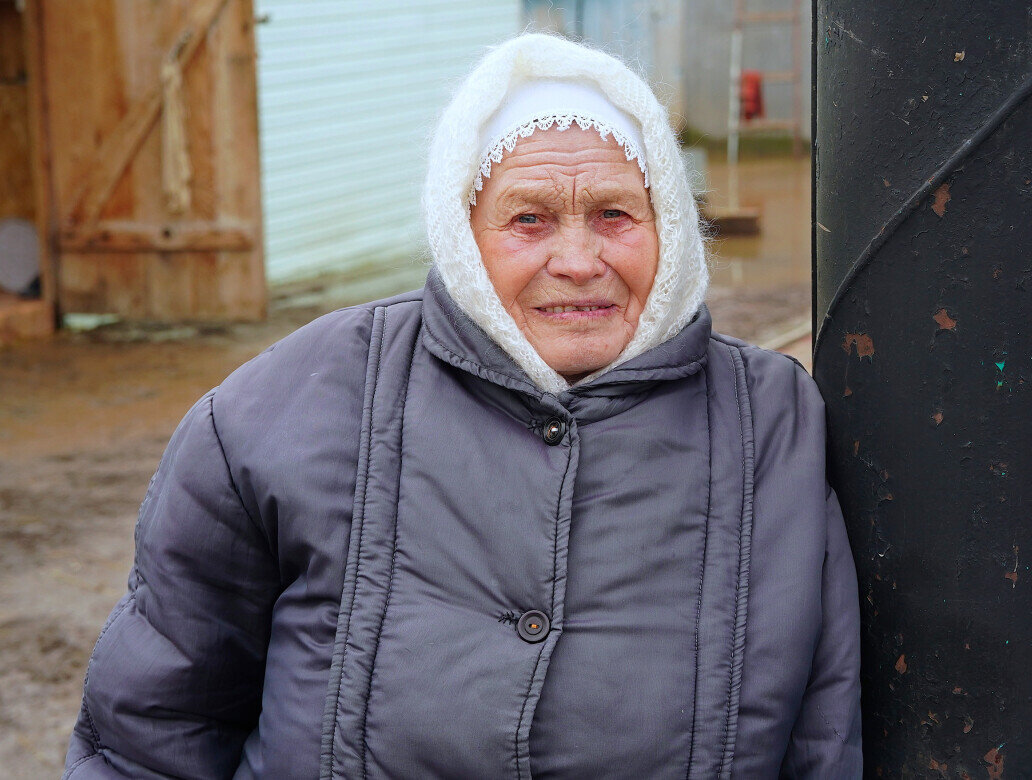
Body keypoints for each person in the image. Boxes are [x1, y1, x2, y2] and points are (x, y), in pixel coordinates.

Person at [63, 33, 861, 779]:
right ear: (461, 231)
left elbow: (829, 736)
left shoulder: (771, 422)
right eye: (529, 218)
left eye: (615, 214)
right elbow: (150, 736)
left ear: (671, 226)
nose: (578, 260)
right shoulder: (292, 401)